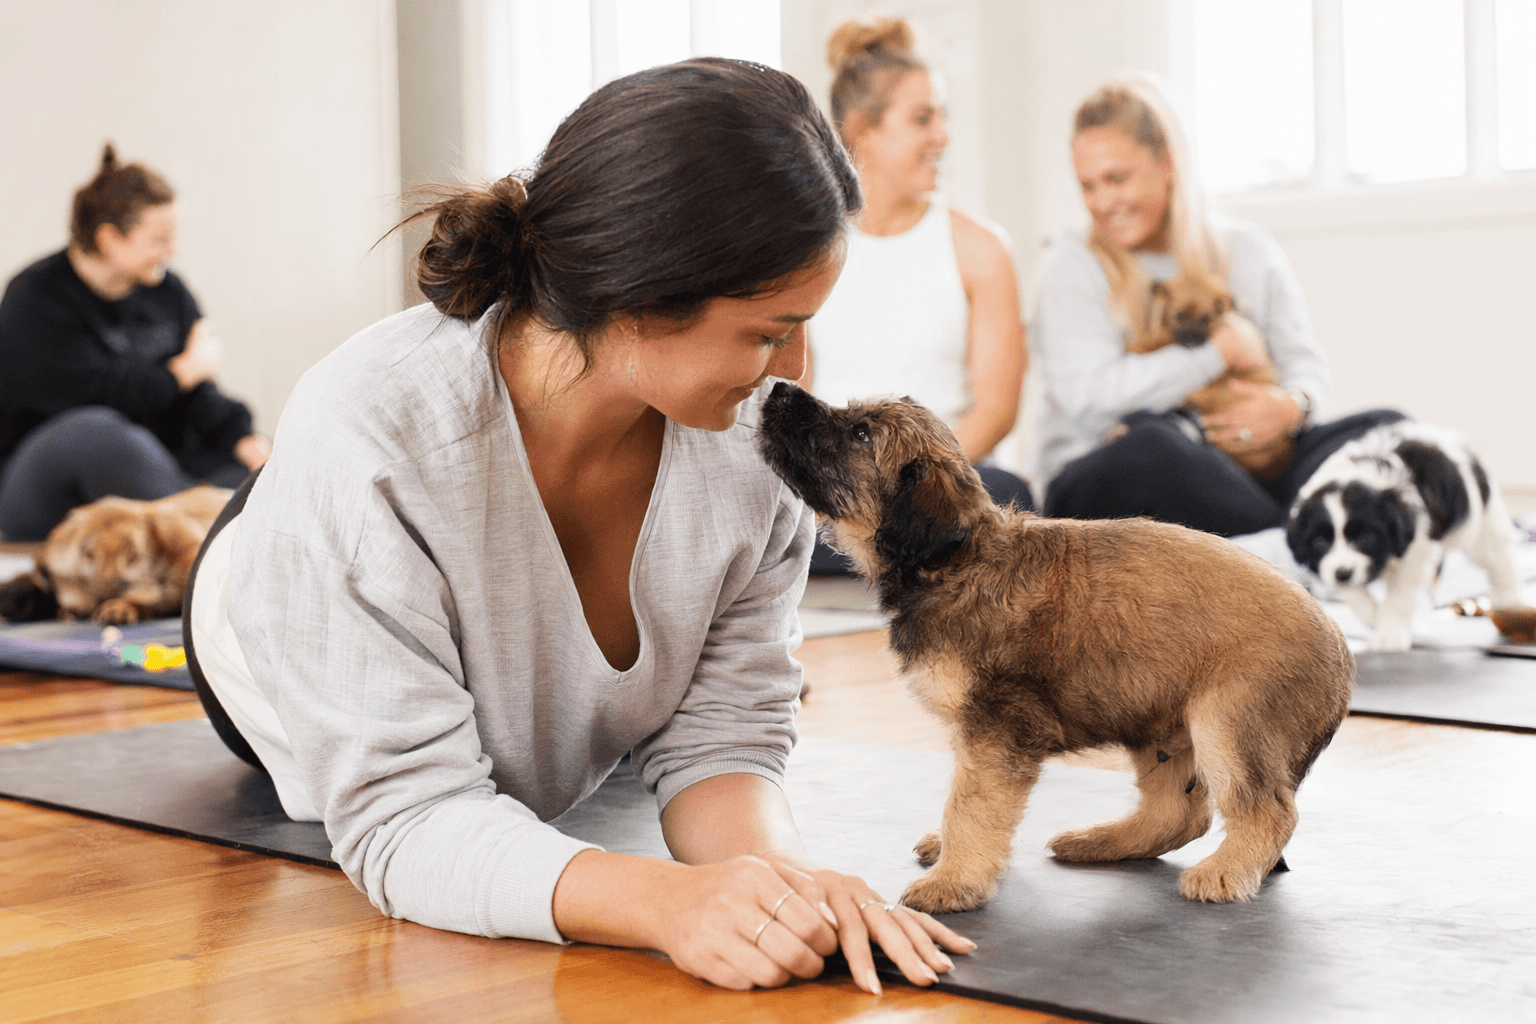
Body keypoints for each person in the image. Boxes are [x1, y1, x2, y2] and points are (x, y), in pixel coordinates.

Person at [182, 60, 973, 994]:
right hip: (264, 608)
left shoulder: (756, 445)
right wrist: (668, 905)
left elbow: (719, 736)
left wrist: (783, 882)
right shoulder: (364, 436)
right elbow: (406, 819)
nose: (794, 367)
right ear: (638, 300)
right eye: (768, 332)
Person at [1027, 76, 1401, 537]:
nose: (1102, 202)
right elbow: (1091, 403)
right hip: (1108, 471)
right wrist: (1219, 352)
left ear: (1167, 162)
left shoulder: (1248, 251)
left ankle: (1286, 539)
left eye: (1117, 179)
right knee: (1153, 447)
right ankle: (1289, 546)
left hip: (1241, 465)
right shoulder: (1071, 265)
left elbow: (1306, 370)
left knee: (1387, 431)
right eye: (1087, 186)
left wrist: (1289, 408)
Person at [806, 15, 1031, 573]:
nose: (943, 137)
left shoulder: (981, 250)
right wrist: (847, 493)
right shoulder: (807, 252)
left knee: (1011, 494)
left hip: (942, 486)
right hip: (834, 495)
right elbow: (797, 392)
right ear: (862, 130)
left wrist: (909, 484)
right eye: (923, 119)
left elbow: (996, 410)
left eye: (942, 117)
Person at [0, 144, 270, 541]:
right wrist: (181, 372)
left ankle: (206, 518)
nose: (171, 251)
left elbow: (198, 391)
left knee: (245, 471)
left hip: (153, 469)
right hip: (41, 480)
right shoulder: (34, 298)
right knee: (95, 433)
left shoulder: (168, 293)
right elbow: (103, 395)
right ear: (109, 239)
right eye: (159, 239)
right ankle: (200, 528)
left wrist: (242, 438)